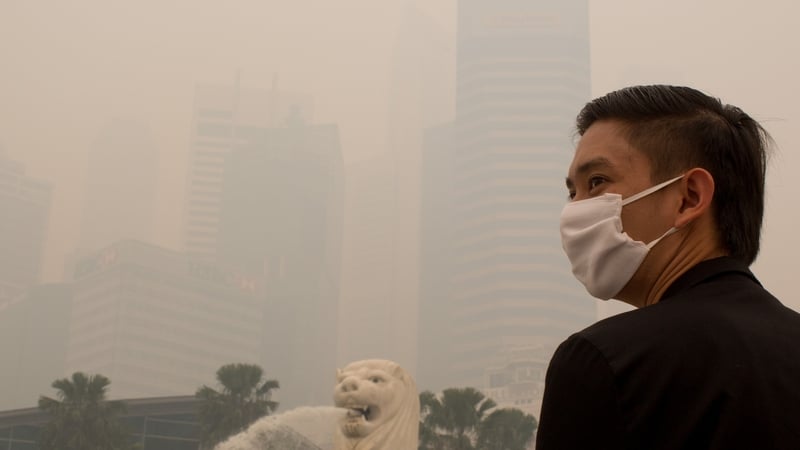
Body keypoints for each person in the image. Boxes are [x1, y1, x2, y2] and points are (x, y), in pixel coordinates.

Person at [536, 85, 800, 449]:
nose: (574, 210)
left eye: (596, 182)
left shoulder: (606, 361)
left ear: (688, 197)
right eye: (572, 192)